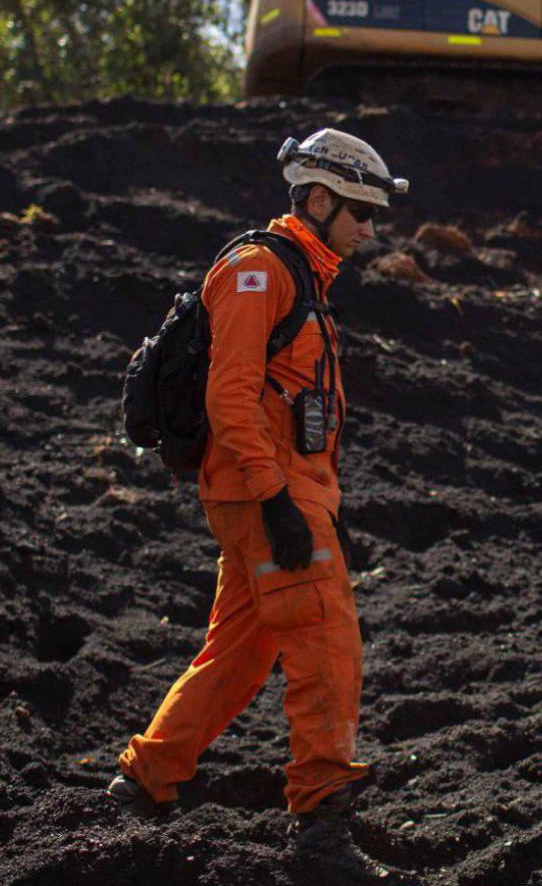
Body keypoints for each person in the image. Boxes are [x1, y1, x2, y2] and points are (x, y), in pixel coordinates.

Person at [109, 128, 409, 882]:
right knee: (327, 646)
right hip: (264, 493)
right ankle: (321, 828)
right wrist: (279, 502)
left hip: (273, 493)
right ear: (318, 198)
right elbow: (230, 395)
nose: (371, 229)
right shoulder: (258, 271)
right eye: (362, 212)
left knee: (239, 656)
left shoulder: (299, 274)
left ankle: (141, 787)